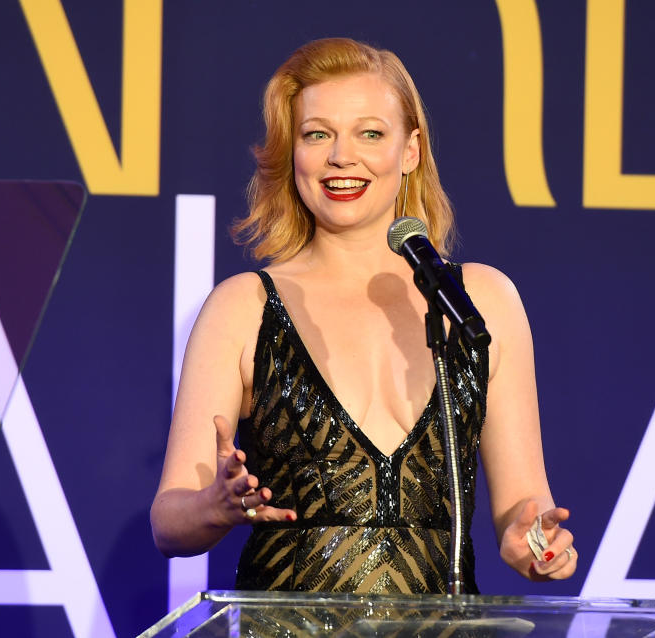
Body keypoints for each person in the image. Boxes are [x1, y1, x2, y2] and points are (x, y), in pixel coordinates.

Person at [150, 37, 576, 594]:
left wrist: (533, 539)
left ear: (411, 151)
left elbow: (524, 502)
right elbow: (169, 524)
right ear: (292, 153)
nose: (340, 156)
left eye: (369, 133)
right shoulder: (243, 307)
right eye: (317, 134)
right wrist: (216, 505)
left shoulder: (481, 300)